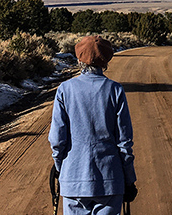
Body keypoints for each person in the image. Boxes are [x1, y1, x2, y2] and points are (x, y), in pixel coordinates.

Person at [49, 35, 138, 214]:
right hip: (110, 181)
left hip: (73, 180)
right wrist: (129, 179)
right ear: (105, 61)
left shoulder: (65, 90)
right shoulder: (115, 90)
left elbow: (57, 139)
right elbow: (124, 142)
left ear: (79, 59)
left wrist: (61, 168)